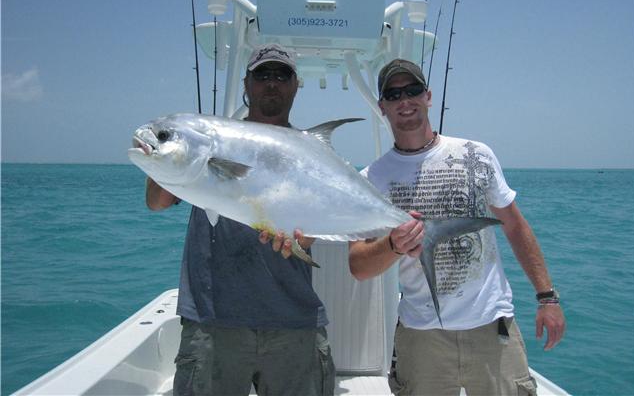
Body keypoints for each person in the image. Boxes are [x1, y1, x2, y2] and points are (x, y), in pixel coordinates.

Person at [349, 59, 565, 396]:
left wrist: (547, 298)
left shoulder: (475, 154)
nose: (405, 100)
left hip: (493, 330)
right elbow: (359, 266)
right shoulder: (371, 179)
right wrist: (393, 245)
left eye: (413, 90)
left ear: (428, 96)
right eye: (394, 94)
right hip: (421, 338)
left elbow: (514, 225)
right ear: (383, 107)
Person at [146, 43, 335, 396]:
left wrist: (307, 238)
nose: (272, 83)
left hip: (294, 322)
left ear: (296, 85)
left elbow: (319, 219)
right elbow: (156, 202)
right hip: (214, 322)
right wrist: (169, 148)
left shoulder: (309, 152)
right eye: (263, 75)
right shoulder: (212, 141)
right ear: (247, 84)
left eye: (282, 75)